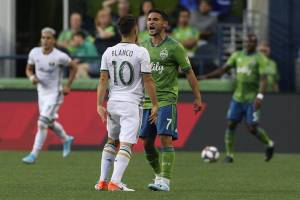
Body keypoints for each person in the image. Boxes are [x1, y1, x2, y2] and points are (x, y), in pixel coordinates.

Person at [139, 9, 202, 191]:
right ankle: (158, 174)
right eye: (149, 20)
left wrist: (197, 97)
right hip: (147, 102)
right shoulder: (142, 47)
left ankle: (165, 181)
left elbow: (189, 72)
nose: (151, 23)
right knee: (146, 143)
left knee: (165, 138)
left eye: (155, 20)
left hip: (166, 100)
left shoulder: (175, 47)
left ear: (165, 24)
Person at [94, 15, 159, 191]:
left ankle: (102, 181)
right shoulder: (141, 52)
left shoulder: (109, 51)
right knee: (126, 144)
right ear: (135, 30)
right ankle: (115, 182)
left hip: (113, 102)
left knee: (111, 140)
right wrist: (155, 104)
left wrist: (99, 105)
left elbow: (102, 80)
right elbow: (148, 81)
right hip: (131, 104)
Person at [200, 34, 275, 163]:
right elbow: (223, 70)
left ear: (255, 44)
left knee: (252, 128)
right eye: (247, 41)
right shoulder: (237, 56)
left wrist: (260, 96)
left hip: (252, 99)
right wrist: (205, 77)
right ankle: (229, 155)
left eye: (252, 42)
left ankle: (269, 144)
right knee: (231, 123)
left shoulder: (260, 58)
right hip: (238, 98)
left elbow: (264, 80)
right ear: (244, 43)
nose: (249, 43)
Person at [22, 27, 78, 164]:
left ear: (53, 40)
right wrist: (31, 78)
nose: (45, 41)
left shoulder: (60, 56)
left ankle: (33, 154)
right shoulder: (34, 53)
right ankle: (66, 138)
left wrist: (68, 85)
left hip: (55, 94)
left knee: (41, 123)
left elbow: (74, 67)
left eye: (48, 38)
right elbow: (29, 69)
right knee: (50, 123)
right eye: (43, 38)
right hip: (41, 93)